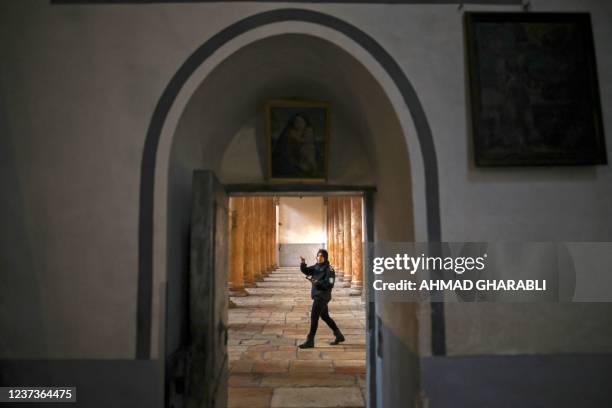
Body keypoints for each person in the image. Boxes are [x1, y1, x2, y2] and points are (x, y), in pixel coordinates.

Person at [298, 249, 345, 349]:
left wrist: (316, 282)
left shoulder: (329, 269)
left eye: (321, 256)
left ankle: (310, 340)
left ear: (325, 257)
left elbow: (330, 284)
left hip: (322, 296)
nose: (319, 257)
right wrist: (303, 263)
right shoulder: (316, 266)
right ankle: (339, 335)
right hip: (317, 295)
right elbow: (306, 271)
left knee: (314, 317)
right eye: (318, 256)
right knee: (325, 316)